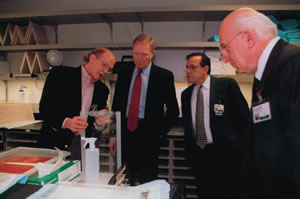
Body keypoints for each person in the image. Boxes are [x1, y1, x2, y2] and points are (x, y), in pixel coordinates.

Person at [219, 7, 300, 199]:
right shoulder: (264, 75)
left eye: (225, 47)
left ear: (248, 37)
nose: (225, 57)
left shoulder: (293, 67)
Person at [110, 33, 179, 185]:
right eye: (136, 54)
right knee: (123, 181)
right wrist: (114, 135)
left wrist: (159, 134)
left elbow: (173, 111)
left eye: (144, 54)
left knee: (148, 182)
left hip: (149, 137)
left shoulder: (164, 76)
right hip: (125, 134)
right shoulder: (124, 72)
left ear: (152, 54)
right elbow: (116, 106)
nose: (139, 58)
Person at [181, 52, 250, 199]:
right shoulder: (186, 94)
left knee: (229, 193)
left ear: (205, 69)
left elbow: (244, 119)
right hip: (200, 155)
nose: (188, 71)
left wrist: (238, 147)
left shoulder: (226, 86)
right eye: (187, 67)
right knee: (205, 193)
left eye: (193, 67)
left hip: (226, 155)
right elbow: (188, 127)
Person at [38, 48, 116, 160]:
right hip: (53, 143)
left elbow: (96, 124)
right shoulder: (60, 74)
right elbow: (44, 109)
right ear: (92, 58)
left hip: (81, 146)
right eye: (104, 65)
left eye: (109, 69)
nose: (105, 71)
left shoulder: (102, 90)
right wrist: (66, 122)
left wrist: (99, 122)